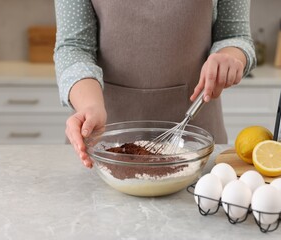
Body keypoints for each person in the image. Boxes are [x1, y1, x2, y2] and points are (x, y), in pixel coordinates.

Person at [54, 0, 256, 168]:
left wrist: (228, 56)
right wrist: (89, 105)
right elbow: (74, 46)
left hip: (196, 144)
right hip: (103, 144)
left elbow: (235, 36)